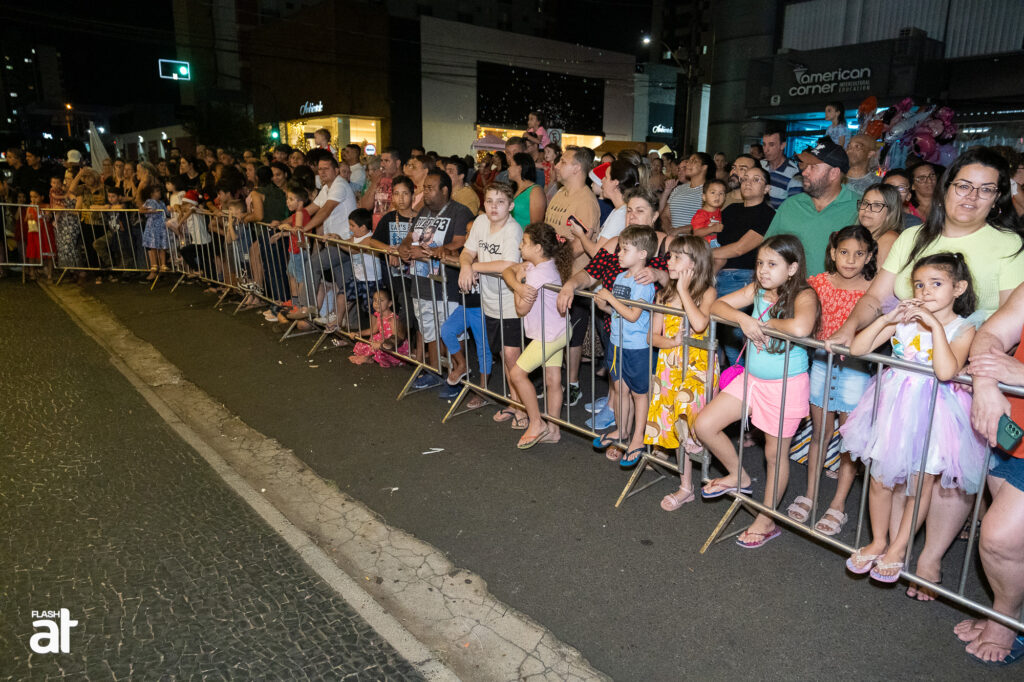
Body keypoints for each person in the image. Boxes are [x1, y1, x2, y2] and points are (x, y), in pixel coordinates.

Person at [828, 147, 1024, 600]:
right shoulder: (912, 236)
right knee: (894, 467)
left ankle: (929, 557)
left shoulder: (1009, 245)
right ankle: (890, 544)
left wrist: (980, 370)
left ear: (998, 197)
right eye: (963, 185)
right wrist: (849, 328)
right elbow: (876, 296)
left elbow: (1011, 317)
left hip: (967, 370)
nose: (971, 196)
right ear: (945, 187)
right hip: (904, 368)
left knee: (946, 473)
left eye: (986, 189)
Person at [843, 253, 986, 581]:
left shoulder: (963, 328)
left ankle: (899, 547)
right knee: (879, 478)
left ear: (958, 288)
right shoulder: (904, 321)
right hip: (893, 407)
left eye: (936, 284)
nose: (925, 291)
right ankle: (879, 540)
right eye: (919, 285)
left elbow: (946, 371)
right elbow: (857, 349)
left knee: (920, 484)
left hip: (934, 413)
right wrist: (888, 319)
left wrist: (934, 326)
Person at [696, 235, 819, 548]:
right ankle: (738, 475)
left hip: (785, 387)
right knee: (705, 425)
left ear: (792, 268)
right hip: (751, 380)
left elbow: (801, 328)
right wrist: (743, 318)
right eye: (761, 263)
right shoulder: (757, 289)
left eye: (772, 264)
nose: (763, 270)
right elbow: (717, 306)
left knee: (774, 456)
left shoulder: (804, 294)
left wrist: (765, 325)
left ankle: (767, 520)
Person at [787, 225, 876, 535]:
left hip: (856, 370)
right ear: (833, 253)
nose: (850, 260)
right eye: (844, 252)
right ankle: (810, 494)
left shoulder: (874, 291)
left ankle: (838, 504)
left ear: (869, 256)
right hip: (822, 365)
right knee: (820, 433)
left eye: (859, 253)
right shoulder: (818, 283)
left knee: (850, 440)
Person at [960, 282, 1024, 665]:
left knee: (999, 538)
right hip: (1013, 430)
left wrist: (1020, 373)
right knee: (1014, 546)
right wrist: (985, 385)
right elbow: (991, 334)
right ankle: (1007, 612)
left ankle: (1006, 621)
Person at [645, 236, 718, 510]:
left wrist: (684, 290)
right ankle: (686, 487)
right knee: (676, 425)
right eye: (670, 256)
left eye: (677, 257)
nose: (669, 262)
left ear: (695, 263)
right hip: (670, 365)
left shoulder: (707, 293)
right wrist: (672, 342)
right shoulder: (663, 294)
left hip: (699, 366)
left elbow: (698, 324)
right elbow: (653, 336)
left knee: (685, 406)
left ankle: (696, 437)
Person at [447, 182, 523, 411]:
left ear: (510, 206)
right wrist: (465, 265)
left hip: (511, 301)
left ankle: (519, 407)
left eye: (500, 202)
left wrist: (474, 266)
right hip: (489, 301)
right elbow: (467, 251)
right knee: (503, 354)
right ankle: (514, 402)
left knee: (512, 356)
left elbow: (508, 264)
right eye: (489, 201)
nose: (493, 207)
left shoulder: (513, 229)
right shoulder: (480, 221)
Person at [398, 168, 474, 388]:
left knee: (451, 332)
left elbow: (461, 241)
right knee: (428, 329)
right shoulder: (424, 211)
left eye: (430, 188)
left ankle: (457, 376)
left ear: (445, 190)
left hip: (446, 285)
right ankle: (435, 372)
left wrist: (435, 250)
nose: (426, 192)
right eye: (424, 188)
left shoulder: (460, 212)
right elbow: (410, 236)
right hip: (421, 282)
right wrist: (404, 247)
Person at [591, 226, 659, 467]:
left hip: (637, 348)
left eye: (624, 250)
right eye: (619, 249)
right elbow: (619, 313)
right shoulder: (621, 278)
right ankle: (622, 430)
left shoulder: (643, 283)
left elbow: (633, 315)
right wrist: (605, 307)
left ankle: (638, 438)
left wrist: (610, 298)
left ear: (642, 254)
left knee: (640, 394)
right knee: (620, 390)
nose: (618, 253)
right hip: (616, 343)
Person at [504, 223, 573, 449]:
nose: (520, 246)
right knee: (553, 379)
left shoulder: (539, 273)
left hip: (549, 335)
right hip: (558, 330)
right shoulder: (542, 265)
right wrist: (518, 282)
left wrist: (519, 283)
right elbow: (507, 271)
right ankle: (554, 430)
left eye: (524, 242)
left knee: (517, 374)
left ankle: (536, 422)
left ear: (538, 248)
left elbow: (521, 309)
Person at [546, 146, 600, 405]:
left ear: (577, 168)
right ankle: (553, 379)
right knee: (553, 331)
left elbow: (580, 244)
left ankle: (573, 383)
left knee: (573, 336)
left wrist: (550, 260)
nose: (557, 165)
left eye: (563, 162)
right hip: (552, 273)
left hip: (575, 277)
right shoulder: (559, 193)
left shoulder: (586, 201)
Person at [763, 137, 859, 277]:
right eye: (805, 166)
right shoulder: (791, 205)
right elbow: (767, 249)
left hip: (836, 289)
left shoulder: (860, 207)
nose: (804, 172)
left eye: (813, 167)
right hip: (791, 287)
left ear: (834, 173)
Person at [350, 289, 409, 367]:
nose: (377, 303)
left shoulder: (392, 319)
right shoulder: (378, 315)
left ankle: (368, 357)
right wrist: (358, 333)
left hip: (393, 345)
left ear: (389, 303)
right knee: (362, 345)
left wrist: (381, 344)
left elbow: (396, 338)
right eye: (375, 300)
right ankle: (371, 356)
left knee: (379, 349)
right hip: (382, 340)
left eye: (381, 300)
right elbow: (373, 330)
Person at [662, 152, 713, 232]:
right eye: (689, 161)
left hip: (694, 239)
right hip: (673, 237)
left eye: (694, 161)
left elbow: (710, 220)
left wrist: (678, 230)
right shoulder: (678, 189)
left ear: (704, 167)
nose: (688, 164)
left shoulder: (710, 191)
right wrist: (669, 230)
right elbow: (665, 215)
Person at [855, 183, 903, 266]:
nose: (867, 209)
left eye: (877, 205)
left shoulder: (889, 238)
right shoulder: (857, 235)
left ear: (891, 212)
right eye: (865, 203)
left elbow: (877, 274)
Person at [760, 130, 802, 209]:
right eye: (764, 144)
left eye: (771, 145)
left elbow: (793, 207)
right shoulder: (760, 165)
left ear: (782, 145)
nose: (765, 150)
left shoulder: (794, 173)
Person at [140, 182, 170, 279]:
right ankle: (154, 264)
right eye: (157, 191)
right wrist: (150, 211)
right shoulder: (149, 201)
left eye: (159, 191)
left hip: (161, 226)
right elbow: (141, 210)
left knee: (162, 245)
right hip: (152, 227)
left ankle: (163, 264)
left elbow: (167, 213)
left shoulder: (161, 203)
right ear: (151, 194)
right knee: (153, 246)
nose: (159, 193)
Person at [508, 153, 546, 227]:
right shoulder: (514, 189)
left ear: (520, 168)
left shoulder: (536, 191)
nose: (508, 169)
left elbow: (536, 226)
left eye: (510, 165)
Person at [690, 179, 728, 248]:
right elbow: (696, 233)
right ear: (704, 197)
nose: (717, 196)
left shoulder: (720, 212)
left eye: (721, 193)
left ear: (725, 198)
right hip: (703, 248)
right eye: (713, 192)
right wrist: (712, 229)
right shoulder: (701, 214)